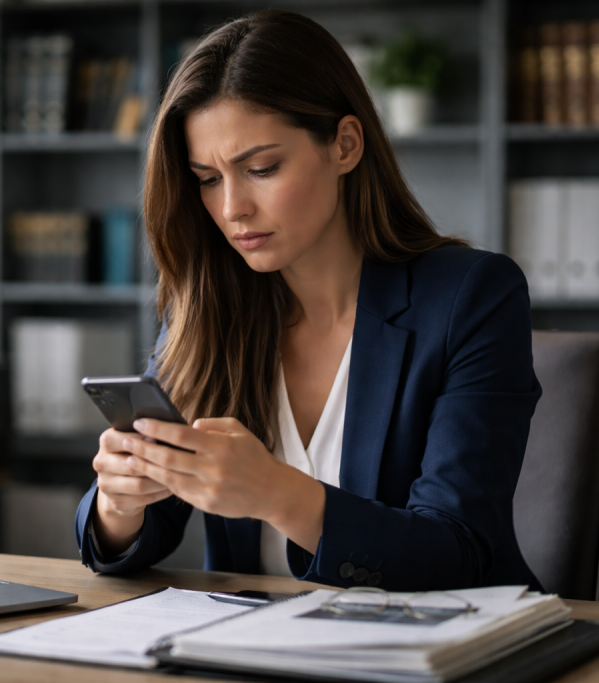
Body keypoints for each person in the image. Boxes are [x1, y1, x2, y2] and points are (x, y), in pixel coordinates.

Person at [73, 10, 543, 592]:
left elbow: (456, 552)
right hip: (256, 654)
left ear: (344, 145)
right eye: (208, 178)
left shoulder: (472, 297)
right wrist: (121, 504)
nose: (232, 208)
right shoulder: (208, 310)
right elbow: (122, 545)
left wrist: (276, 492)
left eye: (262, 168)